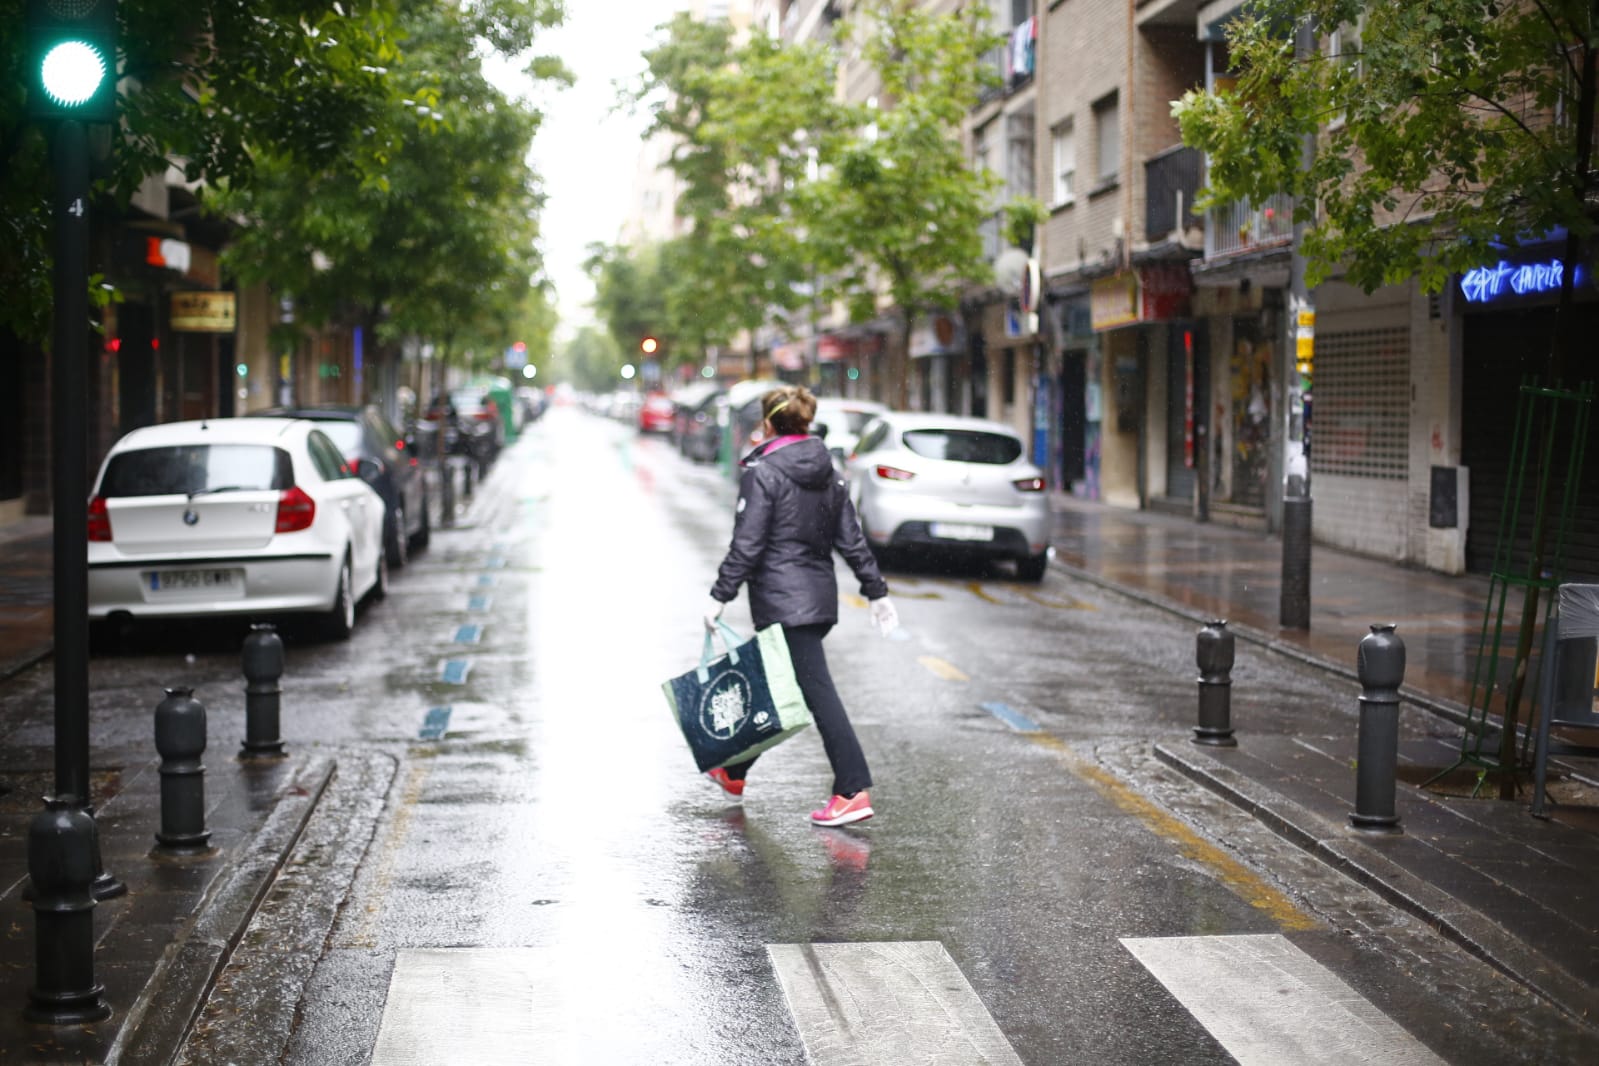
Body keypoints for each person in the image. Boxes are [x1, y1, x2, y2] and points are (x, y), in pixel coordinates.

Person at [706, 385, 899, 827]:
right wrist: (876, 590)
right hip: (814, 599)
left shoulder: (763, 471)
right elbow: (850, 538)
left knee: (816, 692)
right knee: (774, 687)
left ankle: (852, 787)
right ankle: (735, 771)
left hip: (782, 601)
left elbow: (748, 543)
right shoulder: (827, 470)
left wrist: (719, 595)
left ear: (768, 422)